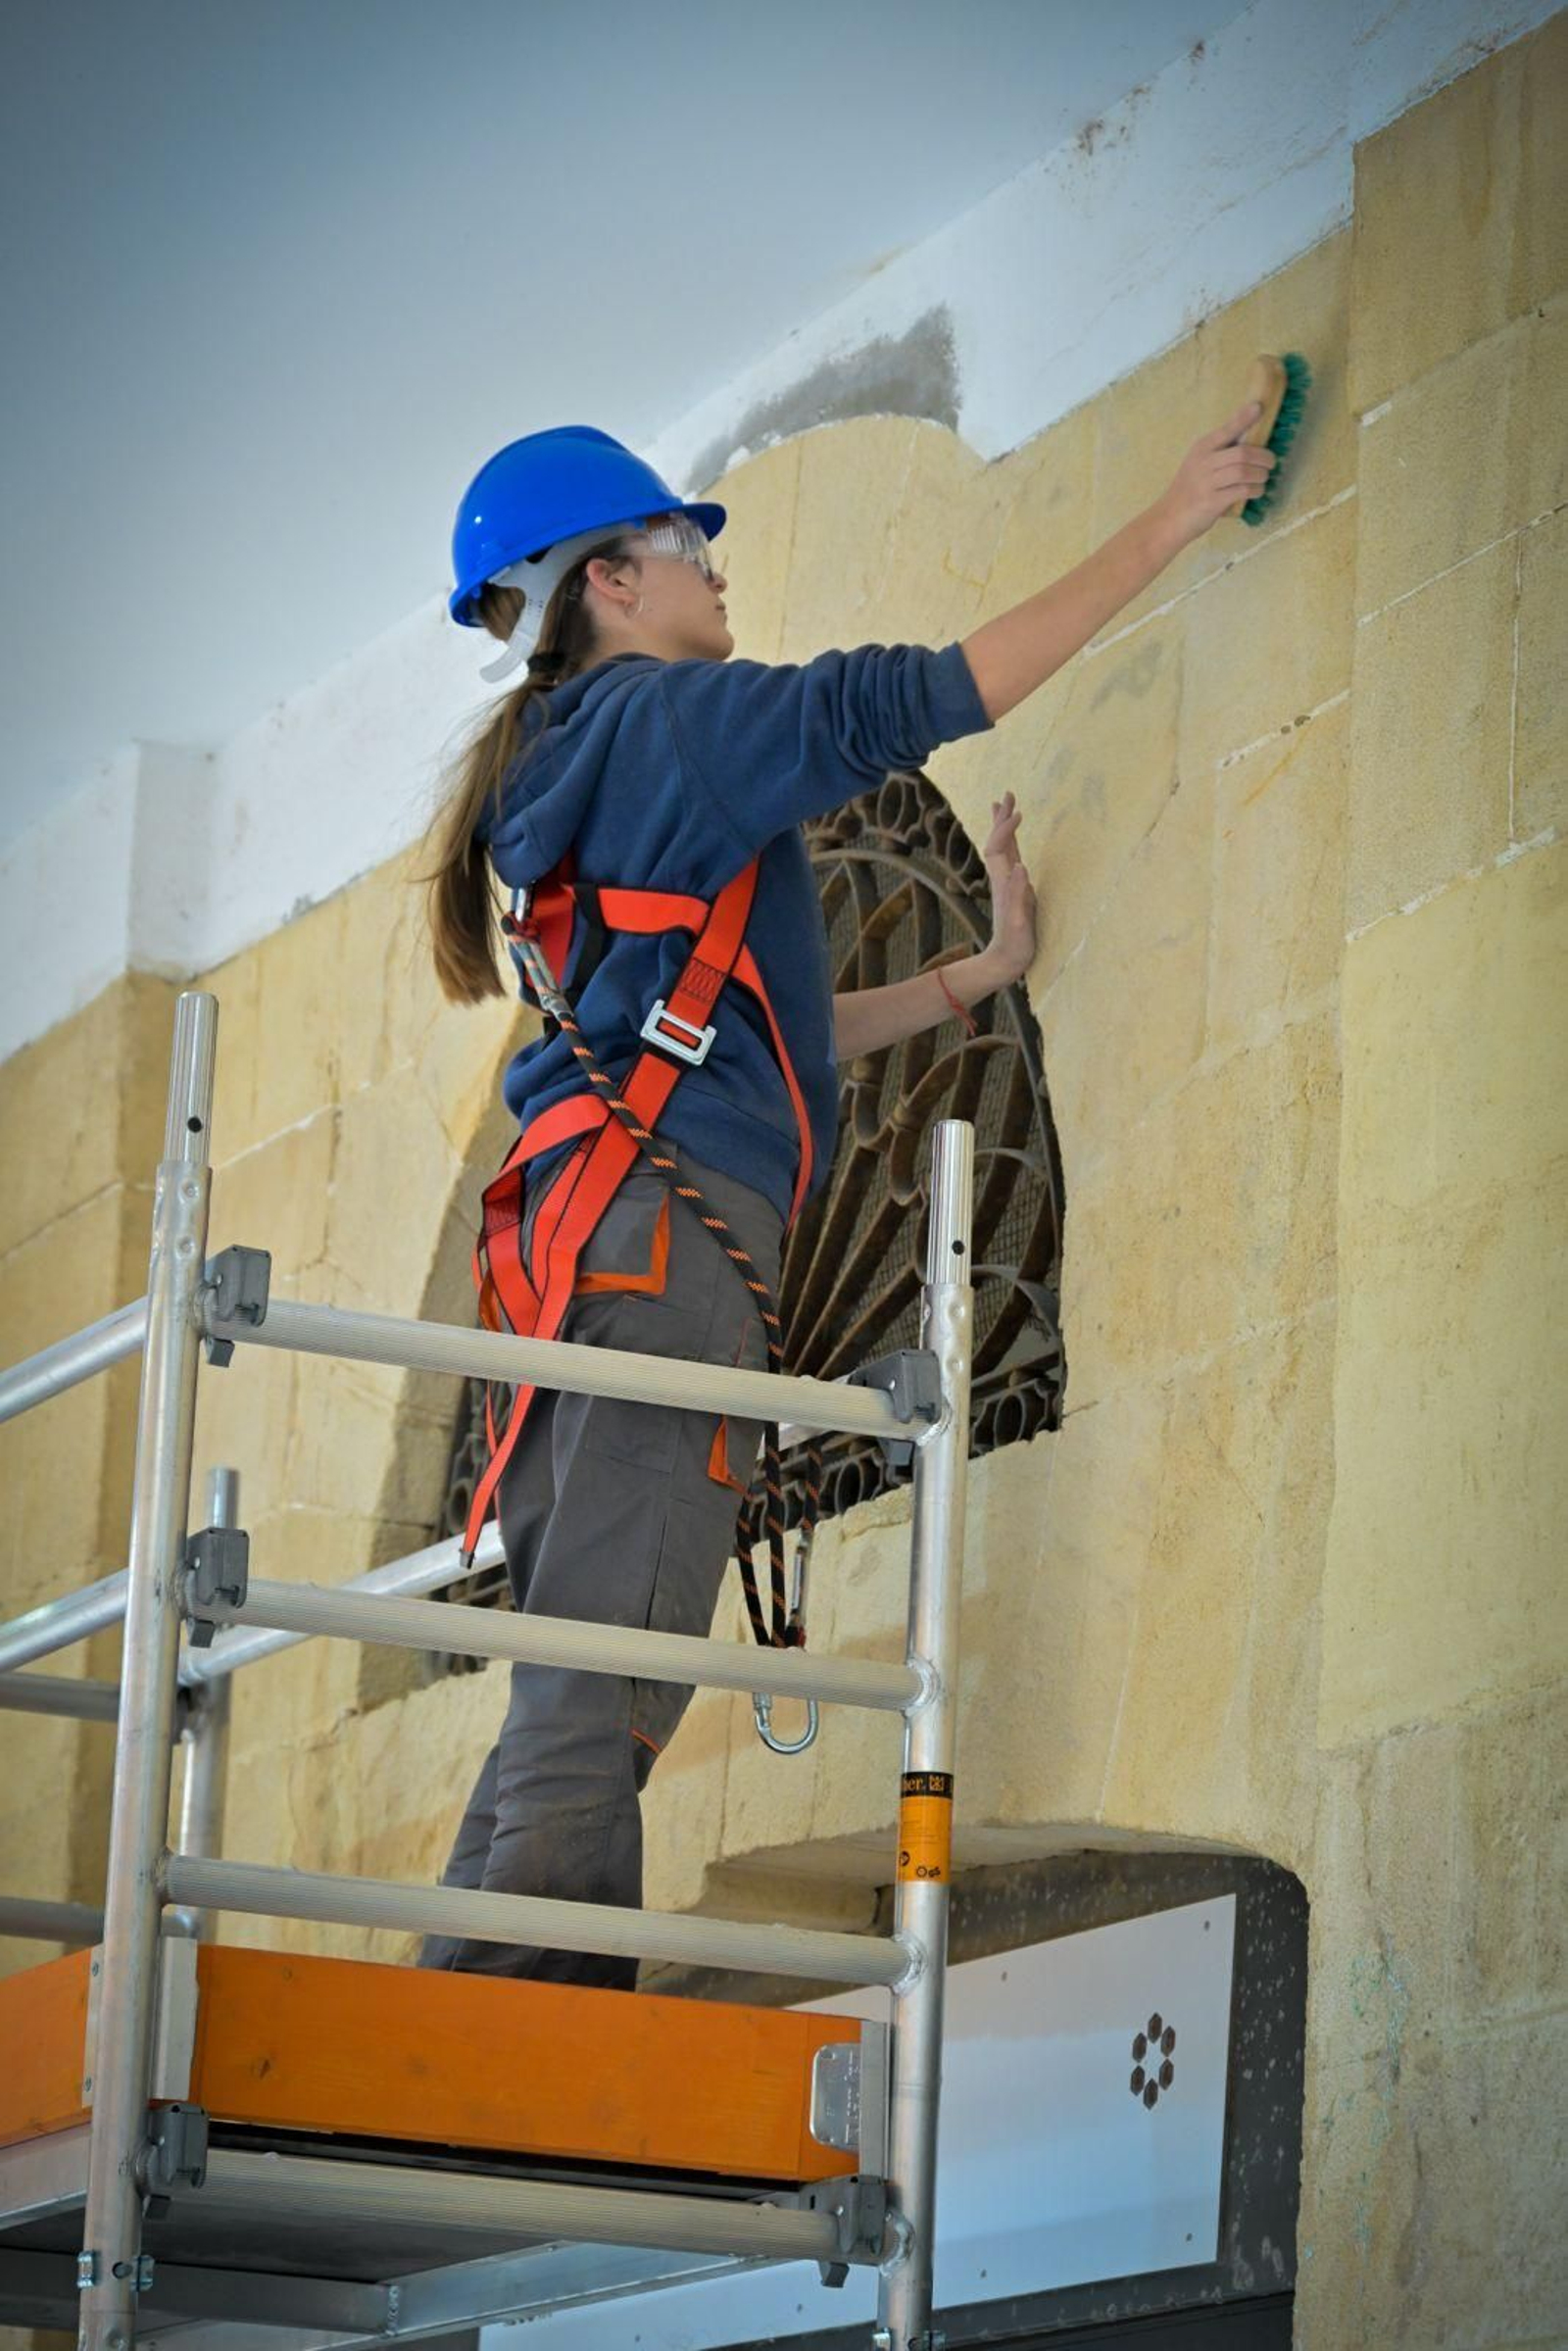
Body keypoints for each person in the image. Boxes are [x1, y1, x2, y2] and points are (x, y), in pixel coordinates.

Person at [416, 408, 1275, 1986]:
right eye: (692, 545)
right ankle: (517, 2066)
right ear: (610, 579)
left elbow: (758, 1038)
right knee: (603, 1691)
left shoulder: (576, 775)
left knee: (575, 1686)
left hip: (580, 1250)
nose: (716, 572)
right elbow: (928, 696)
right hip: (655, 1254)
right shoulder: (666, 727)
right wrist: (1171, 514)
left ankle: (440, 2048)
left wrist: (974, 980)